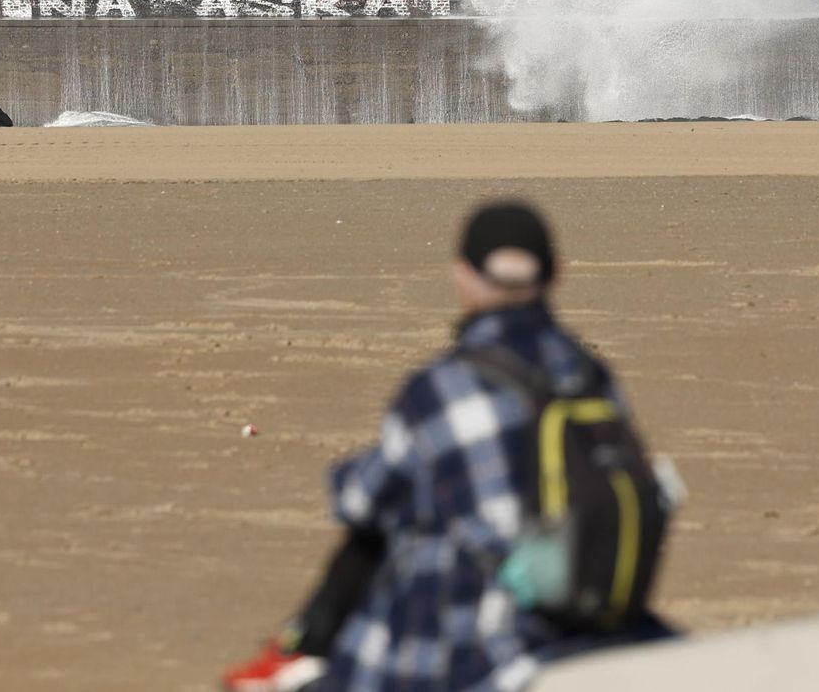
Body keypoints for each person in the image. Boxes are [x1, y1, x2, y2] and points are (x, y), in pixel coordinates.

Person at [222, 201, 674, 692]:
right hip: (586, 610)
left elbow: (360, 501)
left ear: (462, 275)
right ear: (556, 273)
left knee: (380, 539)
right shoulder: (594, 378)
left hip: (472, 651)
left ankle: (298, 651)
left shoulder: (443, 388)